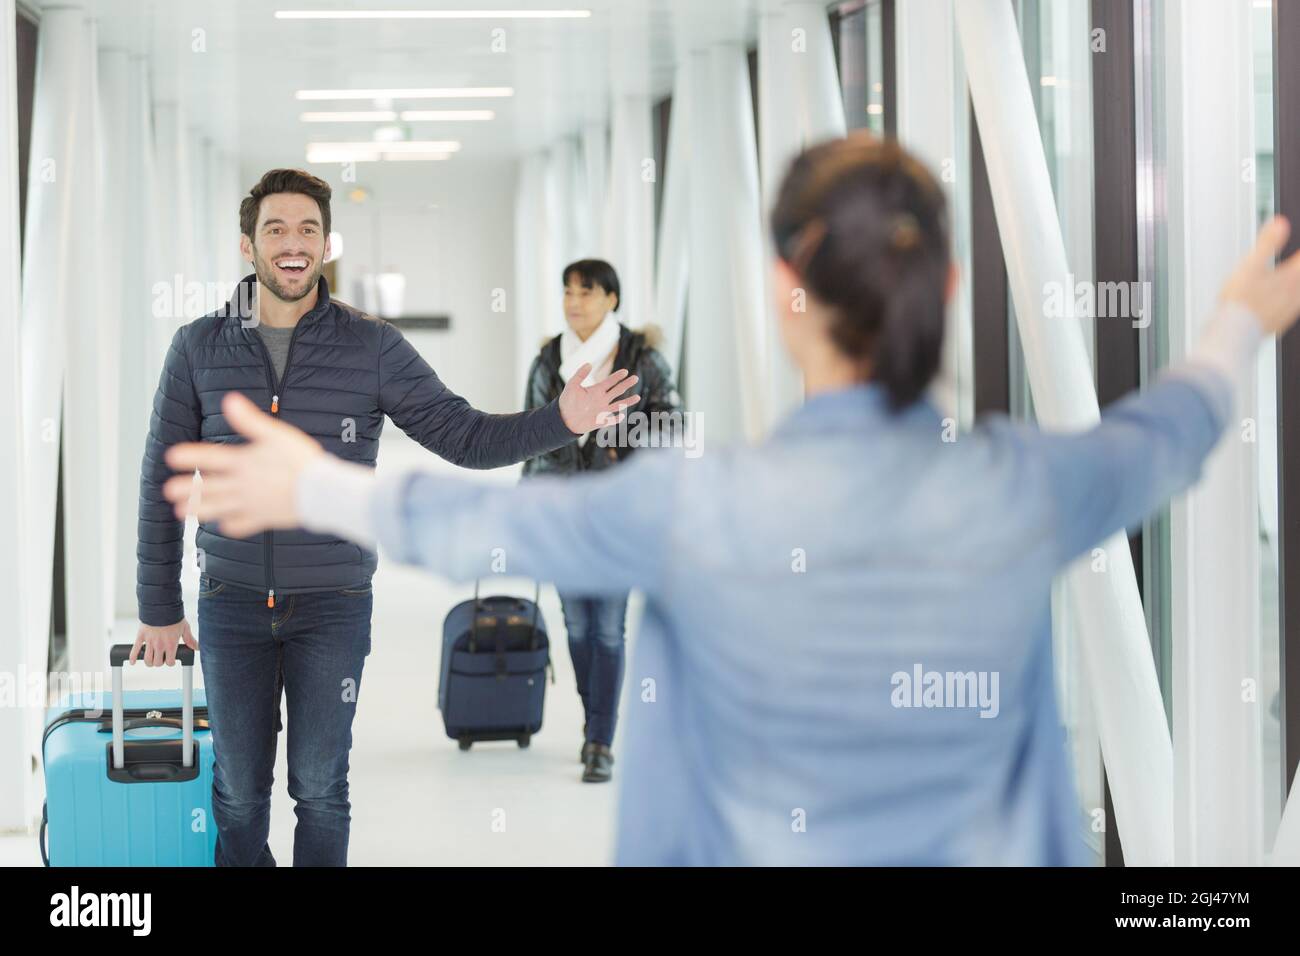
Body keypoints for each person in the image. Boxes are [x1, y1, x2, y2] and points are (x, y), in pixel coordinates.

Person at [159, 135, 1300, 865]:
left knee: (312, 787)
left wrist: (316, 488)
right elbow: (1169, 433)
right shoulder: (1028, 485)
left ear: (782, 295)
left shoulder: (696, 507)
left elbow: (491, 521)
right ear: (948, 289)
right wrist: (1233, 326)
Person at [132, 168, 641, 867]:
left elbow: (463, 435)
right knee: (240, 793)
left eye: (308, 229)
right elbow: (162, 476)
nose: (293, 242)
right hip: (231, 602)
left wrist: (560, 420)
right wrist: (159, 605)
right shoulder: (198, 347)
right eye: (275, 228)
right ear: (247, 246)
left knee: (319, 787)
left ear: (327, 244)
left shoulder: (369, 346)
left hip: (333, 603)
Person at [523, 258, 681, 782]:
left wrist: (619, 443)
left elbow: (673, 427)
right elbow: (530, 437)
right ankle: (596, 716)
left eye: (586, 292)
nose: (574, 302)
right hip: (565, 513)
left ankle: (599, 741)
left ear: (612, 298)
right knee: (576, 623)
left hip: (619, 512)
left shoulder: (641, 356)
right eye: (567, 291)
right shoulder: (549, 360)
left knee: (608, 629)